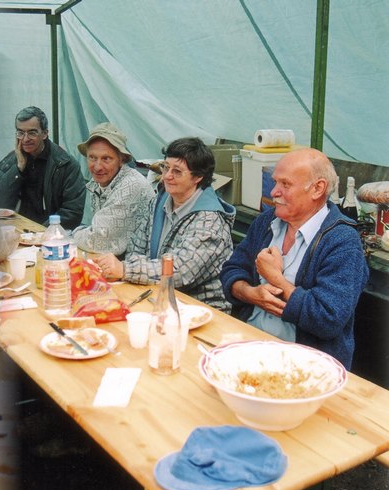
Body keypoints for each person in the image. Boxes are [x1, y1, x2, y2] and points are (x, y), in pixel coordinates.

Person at [220, 148, 368, 368]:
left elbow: (328, 318)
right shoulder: (267, 222)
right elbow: (230, 271)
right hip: (247, 344)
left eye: (285, 184)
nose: (274, 192)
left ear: (318, 189)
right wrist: (251, 294)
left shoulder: (343, 243)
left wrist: (276, 279)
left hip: (304, 366)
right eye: (275, 182)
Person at [94, 137, 235, 311]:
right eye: (166, 167)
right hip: (156, 295)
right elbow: (135, 248)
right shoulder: (159, 201)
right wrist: (131, 268)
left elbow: (180, 271)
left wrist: (124, 269)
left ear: (198, 177)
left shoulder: (210, 221)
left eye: (177, 171)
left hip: (202, 309)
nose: (167, 176)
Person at [0, 106, 85, 229]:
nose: (25, 139)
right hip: (17, 231)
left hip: (51, 235)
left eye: (32, 133)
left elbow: (73, 213)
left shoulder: (66, 164)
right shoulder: (13, 159)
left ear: (44, 134)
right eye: (20, 132)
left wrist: (40, 232)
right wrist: (18, 169)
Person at [71, 122, 153, 255]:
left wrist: (70, 235)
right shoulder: (97, 182)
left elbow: (97, 239)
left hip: (136, 266)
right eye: (92, 157)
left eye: (106, 158)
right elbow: (92, 229)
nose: (97, 167)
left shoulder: (131, 185)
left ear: (122, 159)